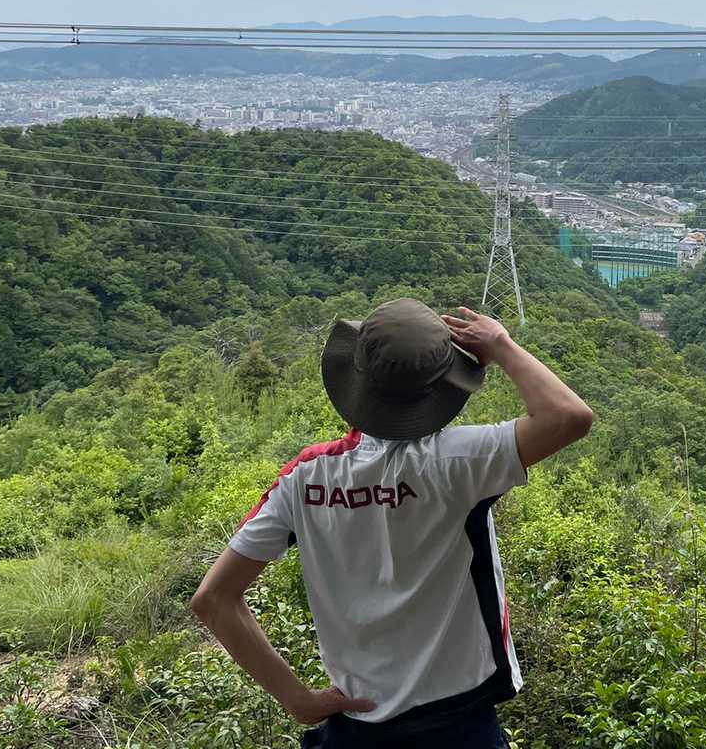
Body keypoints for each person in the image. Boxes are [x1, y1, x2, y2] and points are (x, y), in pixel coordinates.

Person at [190, 299, 593, 748]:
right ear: (443, 389)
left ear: (356, 381)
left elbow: (214, 599)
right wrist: (500, 343)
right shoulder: (458, 461)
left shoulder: (305, 478)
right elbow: (569, 416)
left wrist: (296, 699)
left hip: (355, 728)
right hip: (460, 724)